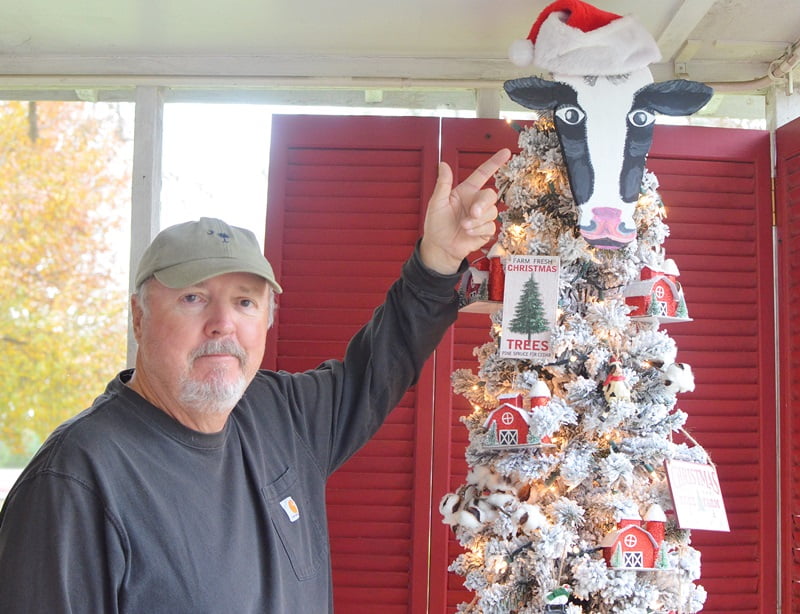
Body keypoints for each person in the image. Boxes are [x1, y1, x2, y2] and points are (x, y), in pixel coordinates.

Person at [0, 148, 511, 613]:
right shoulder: (76, 482)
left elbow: (381, 364)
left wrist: (439, 261)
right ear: (139, 318)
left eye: (245, 301)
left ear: (267, 317)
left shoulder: (280, 414)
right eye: (193, 298)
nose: (223, 323)